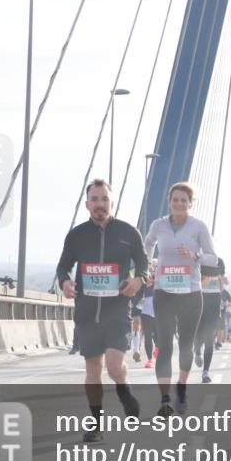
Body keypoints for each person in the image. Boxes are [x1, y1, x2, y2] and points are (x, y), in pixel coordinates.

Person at [57, 179, 145, 443]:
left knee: (114, 366)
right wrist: (65, 282)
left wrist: (139, 279)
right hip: (87, 312)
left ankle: (124, 390)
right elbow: (63, 266)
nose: (100, 204)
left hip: (117, 309)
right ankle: (96, 424)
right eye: (94, 200)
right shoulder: (77, 235)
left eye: (104, 199)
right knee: (93, 369)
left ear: (112, 202)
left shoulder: (128, 232)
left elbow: (143, 262)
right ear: (87, 204)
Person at [144, 181, 216, 415]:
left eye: (184, 200)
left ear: (190, 204)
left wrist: (195, 255)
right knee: (164, 345)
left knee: (186, 346)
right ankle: (165, 400)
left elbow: (213, 258)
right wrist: (148, 265)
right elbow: (148, 244)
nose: (179, 203)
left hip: (190, 295)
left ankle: (181, 388)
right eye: (175, 199)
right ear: (169, 202)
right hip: (164, 293)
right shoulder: (158, 225)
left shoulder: (199, 227)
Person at [197, 257, 226, 383]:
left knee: (209, 336)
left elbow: (221, 283)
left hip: (214, 303)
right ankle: (197, 350)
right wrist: (203, 280)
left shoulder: (219, 261)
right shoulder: (198, 259)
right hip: (199, 301)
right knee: (198, 333)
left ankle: (206, 372)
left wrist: (221, 281)